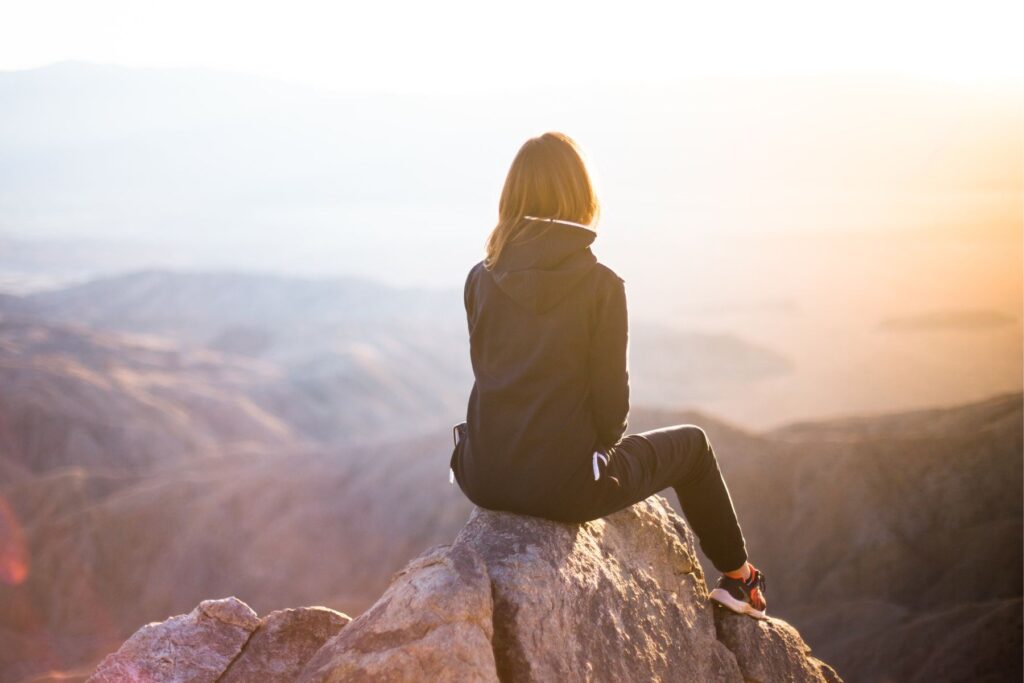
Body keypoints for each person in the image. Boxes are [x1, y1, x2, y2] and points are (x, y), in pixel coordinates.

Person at [449, 131, 767, 619]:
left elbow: (490, 373)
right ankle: (739, 579)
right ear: (581, 195)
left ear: (511, 196)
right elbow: (612, 413)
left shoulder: (479, 276)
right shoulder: (601, 286)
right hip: (566, 488)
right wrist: (587, 459)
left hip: (481, 474)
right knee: (695, 446)